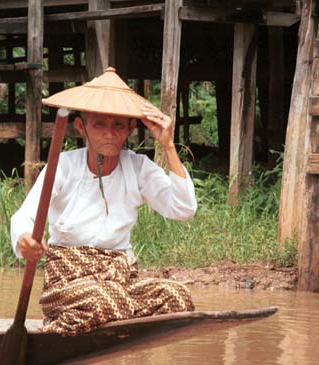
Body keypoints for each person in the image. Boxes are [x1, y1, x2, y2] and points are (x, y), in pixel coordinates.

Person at [10, 67, 197, 336]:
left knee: (176, 296)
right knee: (99, 297)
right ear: (80, 127)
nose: (109, 134)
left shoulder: (138, 167)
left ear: (130, 128)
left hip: (119, 278)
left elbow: (183, 208)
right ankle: (75, 316)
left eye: (118, 125)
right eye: (99, 124)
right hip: (69, 281)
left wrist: (167, 145)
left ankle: (91, 318)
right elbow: (24, 216)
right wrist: (25, 239)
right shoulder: (63, 166)